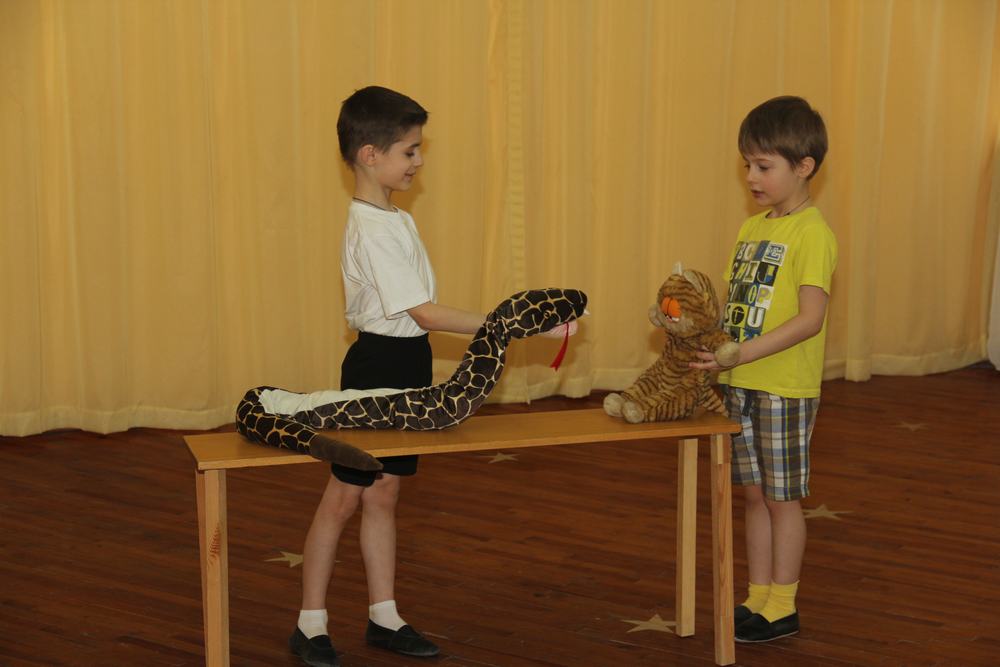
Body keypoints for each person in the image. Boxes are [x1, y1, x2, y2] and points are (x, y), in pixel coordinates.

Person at [289, 85, 574, 667]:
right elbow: (425, 313)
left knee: (385, 494)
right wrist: (514, 323)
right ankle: (309, 624)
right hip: (377, 369)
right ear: (370, 155)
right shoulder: (370, 227)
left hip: (410, 363)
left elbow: (420, 319)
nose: (419, 161)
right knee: (343, 497)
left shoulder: (397, 218)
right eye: (410, 151)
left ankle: (384, 617)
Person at [691, 95, 837, 643]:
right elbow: (737, 307)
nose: (751, 176)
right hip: (740, 383)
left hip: (782, 388)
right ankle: (756, 597)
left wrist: (745, 354)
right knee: (753, 495)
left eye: (763, 166)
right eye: (747, 164)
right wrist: (695, 325)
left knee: (782, 498)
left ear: (804, 167)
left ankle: (783, 605)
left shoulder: (813, 234)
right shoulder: (751, 229)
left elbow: (810, 319)